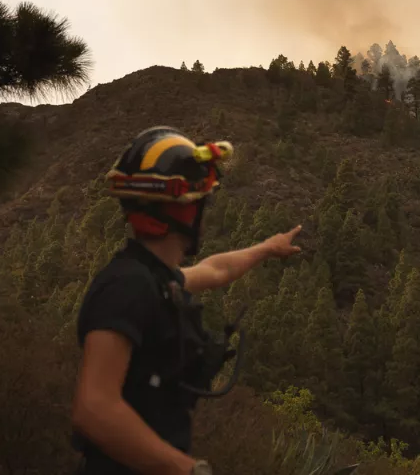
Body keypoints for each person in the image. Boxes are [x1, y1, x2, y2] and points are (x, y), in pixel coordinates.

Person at [72, 126, 303, 475]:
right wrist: (188, 469)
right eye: (200, 202)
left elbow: (215, 270)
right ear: (183, 210)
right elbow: (93, 408)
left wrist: (268, 248)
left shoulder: (156, 280)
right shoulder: (128, 287)